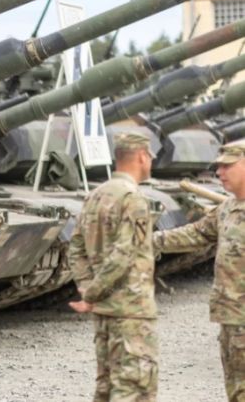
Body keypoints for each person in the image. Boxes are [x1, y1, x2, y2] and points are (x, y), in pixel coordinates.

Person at [67, 131, 158, 402]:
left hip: (104, 312)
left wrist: (86, 290)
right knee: (134, 388)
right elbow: (124, 254)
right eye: (149, 156)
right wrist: (92, 293)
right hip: (131, 312)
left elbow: (76, 248)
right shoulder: (133, 199)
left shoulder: (95, 195)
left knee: (106, 389)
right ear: (142, 156)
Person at [153, 139, 245, 401]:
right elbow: (196, 234)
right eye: (218, 167)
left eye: (227, 166)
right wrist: (147, 242)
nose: (219, 173)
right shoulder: (228, 209)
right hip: (231, 318)